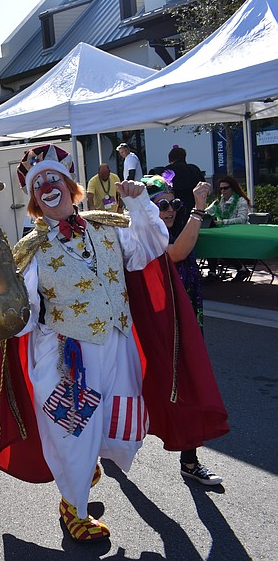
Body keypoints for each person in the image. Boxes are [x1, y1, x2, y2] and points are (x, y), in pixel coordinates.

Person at [0, 143, 168, 541]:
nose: (48, 187)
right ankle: (74, 509)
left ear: (70, 185)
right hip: (68, 357)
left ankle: (84, 473)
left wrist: (139, 206)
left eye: (54, 178)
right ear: (33, 199)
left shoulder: (106, 225)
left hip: (117, 345)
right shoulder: (29, 250)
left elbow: (150, 251)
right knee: (73, 432)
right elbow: (20, 318)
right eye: (38, 184)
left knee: (117, 422)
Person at [126, 174, 228, 486]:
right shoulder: (143, 242)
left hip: (186, 323)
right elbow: (178, 252)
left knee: (189, 386)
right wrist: (198, 209)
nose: (170, 210)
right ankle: (110, 446)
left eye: (174, 203)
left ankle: (189, 460)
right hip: (158, 331)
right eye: (162, 204)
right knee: (141, 389)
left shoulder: (168, 230)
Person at [165, 146, 205, 235]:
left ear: (170, 159)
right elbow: (203, 188)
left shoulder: (169, 170)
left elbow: (163, 191)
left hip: (174, 209)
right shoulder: (194, 169)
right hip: (193, 208)